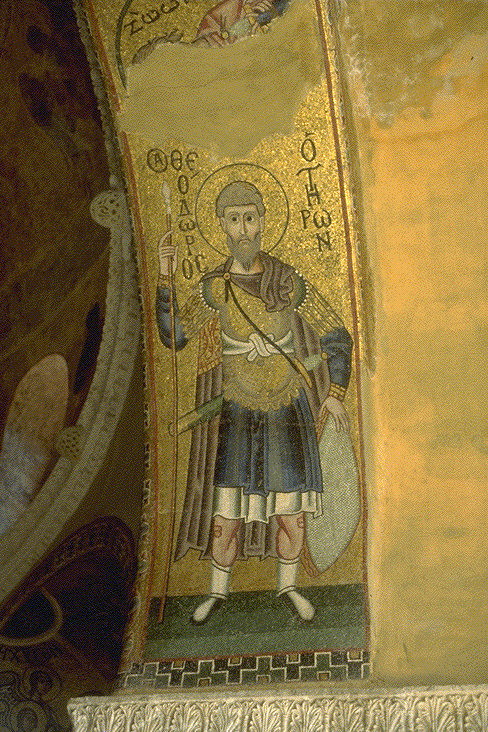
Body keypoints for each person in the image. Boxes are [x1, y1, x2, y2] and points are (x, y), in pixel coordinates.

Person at [156, 180, 352, 623]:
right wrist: (166, 278)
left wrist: (336, 394)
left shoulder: (288, 283)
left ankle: (289, 587)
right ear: (223, 227)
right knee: (226, 517)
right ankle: (217, 592)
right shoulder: (213, 288)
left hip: (286, 408)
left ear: (263, 222)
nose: (243, 229)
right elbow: (175, 337)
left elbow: (337, 334)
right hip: (238, 410)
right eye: (234, 220)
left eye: (250, 218)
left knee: (291, 515)